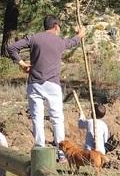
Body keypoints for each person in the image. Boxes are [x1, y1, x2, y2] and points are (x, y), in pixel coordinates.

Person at [7, 15, 85, 161]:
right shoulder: (59, 41)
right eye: (59, 27)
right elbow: (72, 42)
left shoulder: (34, 38)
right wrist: (80, 35)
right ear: (55, 26)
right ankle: (62, 153)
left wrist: (22, 64)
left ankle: (39, 150)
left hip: (34, 84)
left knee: (37, 117)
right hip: (52, 85)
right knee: (57, 118)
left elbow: (11, 48)